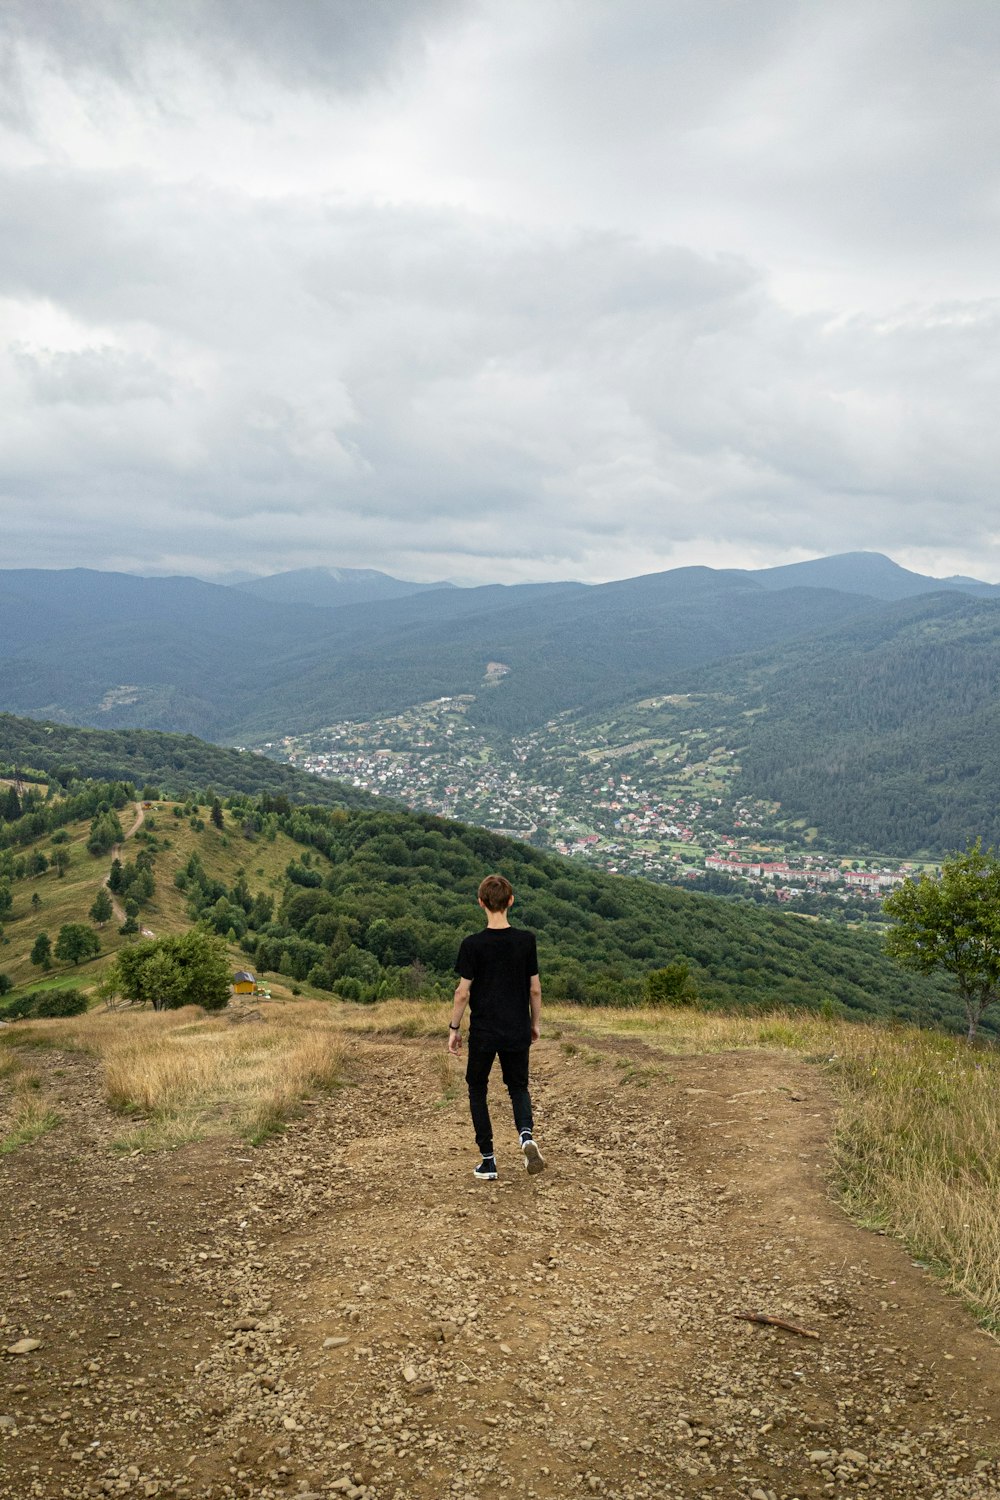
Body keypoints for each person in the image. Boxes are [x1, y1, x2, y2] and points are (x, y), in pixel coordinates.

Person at [448, 873, 545, 1180]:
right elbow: (535, 990)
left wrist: (454, 1029)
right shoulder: (526, 941)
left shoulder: (472, 945)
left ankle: (488, 1161)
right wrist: (534, 1024)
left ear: (481, 903)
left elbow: (462, 992)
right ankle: (526, 1135)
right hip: (516, 1027)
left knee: (477, 1088)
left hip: (484, 1032)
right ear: (511, 901)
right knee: (518, 1087)